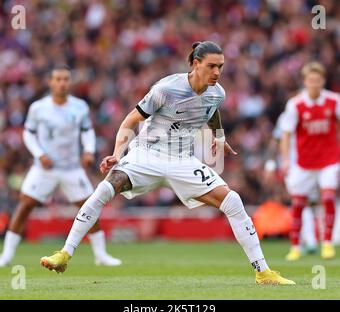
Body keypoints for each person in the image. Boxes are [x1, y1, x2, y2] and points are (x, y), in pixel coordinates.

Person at [41, 41, 295, 285]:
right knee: (105, 188)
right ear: (196, 64)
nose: (217, 72)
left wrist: (220, 137)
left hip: (182, 161)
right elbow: (130, 121)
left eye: (220, 67)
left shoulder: (217, 93)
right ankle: (64, 253)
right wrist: (118, 153)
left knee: (233, 201)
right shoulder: (166, 89)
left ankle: (263, 273)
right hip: (147, 154)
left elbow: (212, 110)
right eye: (211, 66)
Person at [0, 65, 121, 267]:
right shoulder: (38, 108)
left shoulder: (79, 106)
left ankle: (101, 254)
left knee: (90, 206)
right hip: (44, 168)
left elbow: (87, 131)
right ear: (50, 82)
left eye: (65, 79)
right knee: (25, 205)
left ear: (69, 82)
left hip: (72, 168)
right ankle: (7, 255)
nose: (62, 83)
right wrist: (40, 154)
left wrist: (89, 151)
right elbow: (28, 133)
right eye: (58, 79)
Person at [281, 62, 340, 260]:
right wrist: (286, 160)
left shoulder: (334, 101)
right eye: (310, 80)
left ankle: (328, 243)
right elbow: (286, 134)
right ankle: (296, 246)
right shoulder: (295, 104)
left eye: (318, 80)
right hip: (304, 162)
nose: (314, 83)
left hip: (329, 159)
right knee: (298, 203)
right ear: (305, 82)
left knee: (328, 198)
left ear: (323, 81)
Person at [264, 112, 318, 258]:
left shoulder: (313, 114)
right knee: (300, 201)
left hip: (310, 164)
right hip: (293, 166)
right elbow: (275, 142)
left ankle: (304, 241)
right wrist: (270, 164)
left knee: (303, 202)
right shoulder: (286, 117)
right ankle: (307, 241)